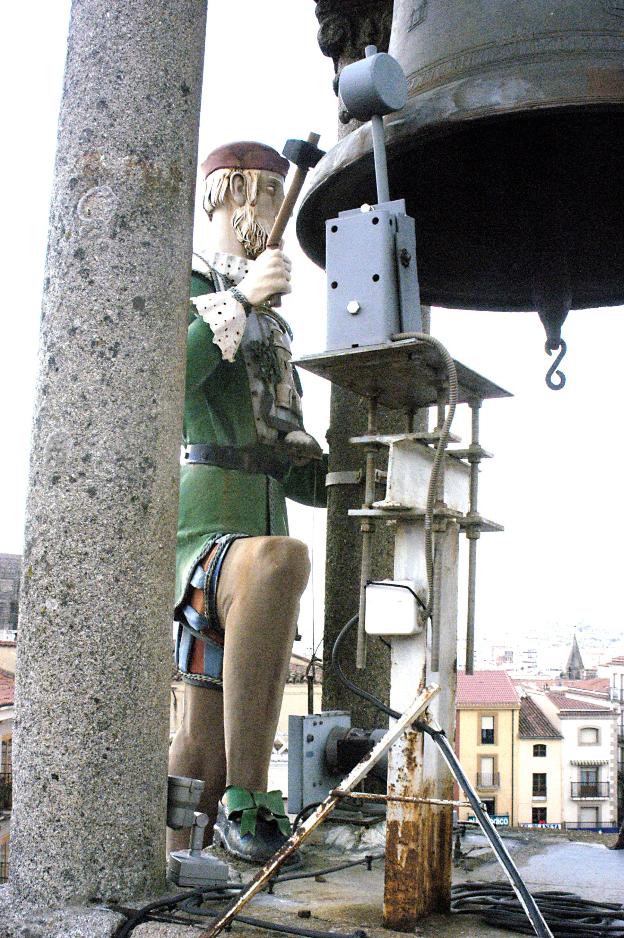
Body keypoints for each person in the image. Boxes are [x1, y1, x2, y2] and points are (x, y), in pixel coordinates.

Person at [168, 141, 326, 862]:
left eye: (269, 198)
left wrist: (370, 474)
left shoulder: (279, 327)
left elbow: (291, 460)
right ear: (218, 201)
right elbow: (171, 386)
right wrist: (237, 302)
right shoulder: (191, 282)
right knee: (277, 561)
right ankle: (252, 800)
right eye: (248, 198)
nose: (260, 212)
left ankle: (178, 859)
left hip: (262, 519)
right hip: (207, 526)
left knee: (200, 743)